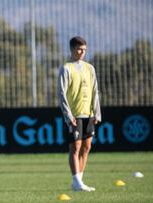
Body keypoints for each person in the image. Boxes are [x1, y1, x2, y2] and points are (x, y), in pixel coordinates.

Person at [57, 36, 101, 192]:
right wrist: (68, 116)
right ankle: (76, 181)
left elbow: (95, 91)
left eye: (84, 50)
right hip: (74, 115)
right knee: (75, 147)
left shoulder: (90, 68)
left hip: (88, 114)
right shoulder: (66, 68)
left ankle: (79, 182)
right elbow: (62, 94)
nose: (82, 52)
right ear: (72, 50)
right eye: (79, 49)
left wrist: (97, 112)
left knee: (87, 147)